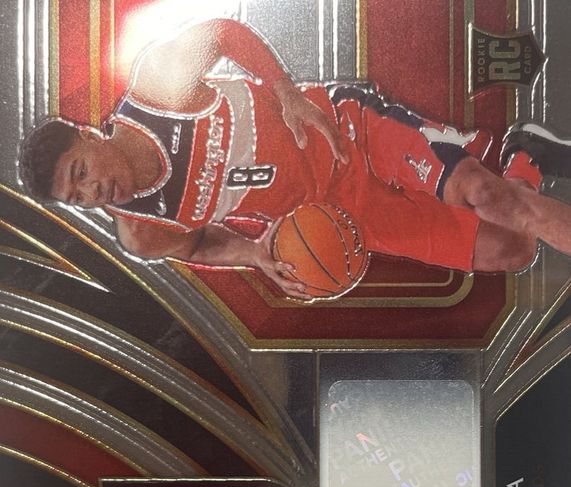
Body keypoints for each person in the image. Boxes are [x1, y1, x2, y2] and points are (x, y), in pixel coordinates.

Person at [18, 18, 571, 299]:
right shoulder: (142, 231)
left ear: (89, 136)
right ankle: (527, 152)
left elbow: (222, 34)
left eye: (80, 173)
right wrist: (255, 254)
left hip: (349, 130)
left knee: (485, 195)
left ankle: (515, 174)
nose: (91, 193)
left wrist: (282, 90)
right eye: (77, 198)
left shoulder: (157, 92)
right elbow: (197, 243)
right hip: (340, 213)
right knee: (511, 248)